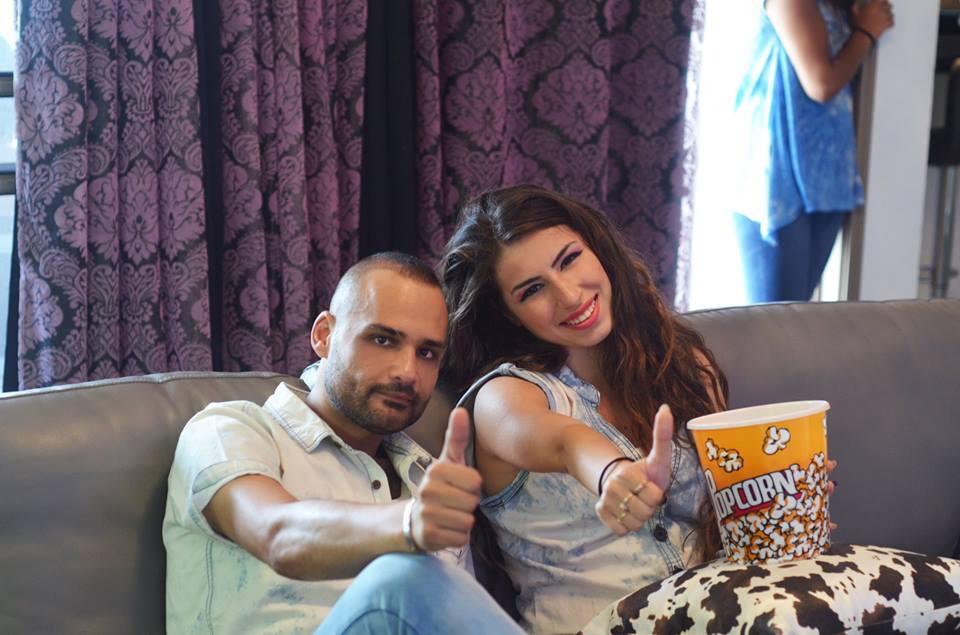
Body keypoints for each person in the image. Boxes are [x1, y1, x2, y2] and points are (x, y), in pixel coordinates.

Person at [439, 186, 836, 634]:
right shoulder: (504, 396)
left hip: (721, 616)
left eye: (569, 260)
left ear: (597, 249)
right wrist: (611, 475)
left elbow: (724, 525)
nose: (568, 295)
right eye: (533, 289)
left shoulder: (681, 365)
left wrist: (778, 497)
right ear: (509, 313)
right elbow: (565, 441)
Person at [163, 252, 523, 634]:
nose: (408, 372)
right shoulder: (228, 430)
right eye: (383, 339)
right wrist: (408, 522)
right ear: (324, 335)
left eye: (426, 353)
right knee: (402, 577)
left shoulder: (429, 480)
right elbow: (276, 534)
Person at [723, 0, 895, 302]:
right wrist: (866, 32)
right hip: (776, 178)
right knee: (774, 320)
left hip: (824, 178)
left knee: (797, 315)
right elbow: (821, 83)